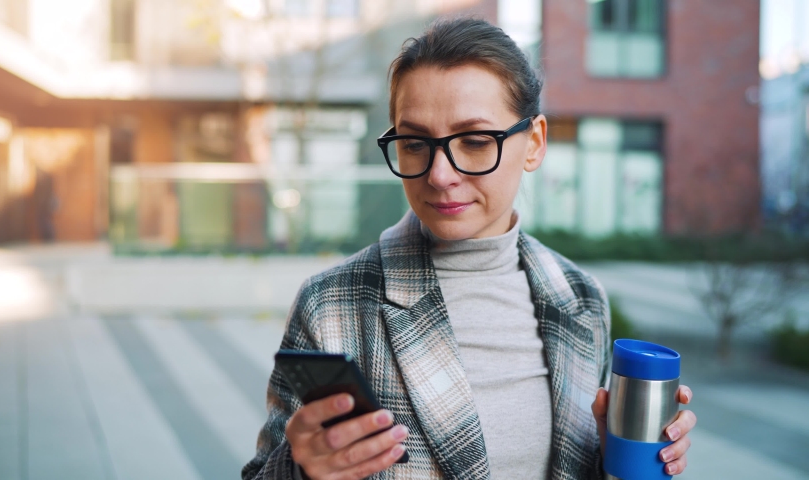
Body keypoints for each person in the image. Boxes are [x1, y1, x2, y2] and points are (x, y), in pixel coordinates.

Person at [242, 17, 695, 480]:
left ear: (535, 143)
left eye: (476, 141)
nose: (439, 175)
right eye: (415, 144)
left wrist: (611, 461)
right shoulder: (332, 303)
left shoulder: (579, 298)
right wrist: (301, 469)